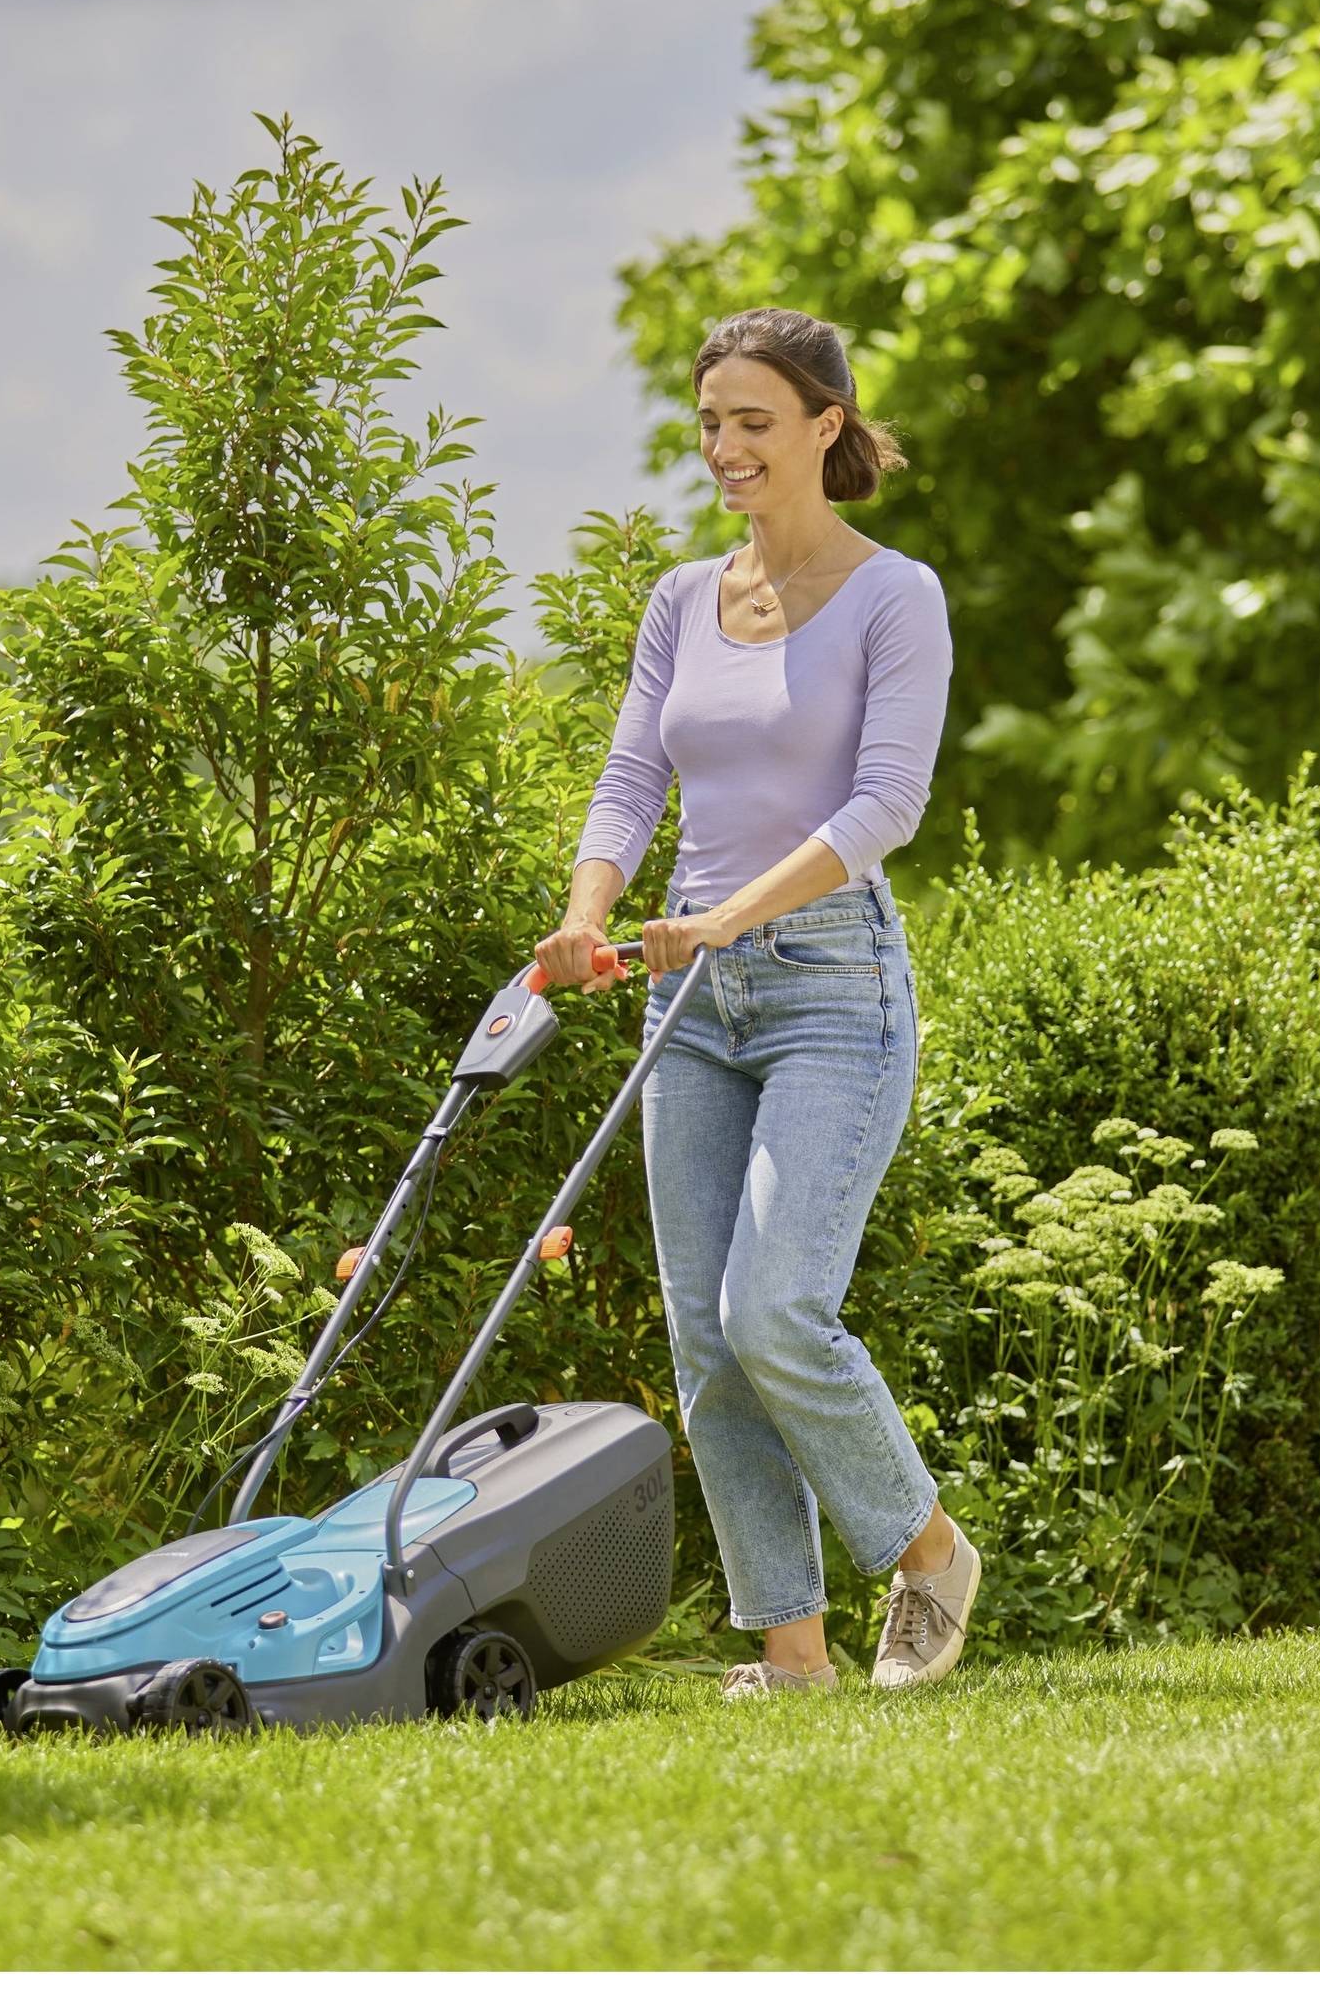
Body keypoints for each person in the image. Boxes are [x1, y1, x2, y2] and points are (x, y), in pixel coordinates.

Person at [535, 306, 978, 1702]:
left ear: (826, 426)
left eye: (755, 422)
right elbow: (629, 782)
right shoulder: (681, 599)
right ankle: (792, 1655)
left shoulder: (897, 594)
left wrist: (729, 913)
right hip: (688, 1000)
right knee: (705, 1337)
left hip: (830, 982)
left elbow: (885, 804)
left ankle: (928, 1550)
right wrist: (585, 915)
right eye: (711, 422)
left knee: (776, 1306)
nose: (726, 448)